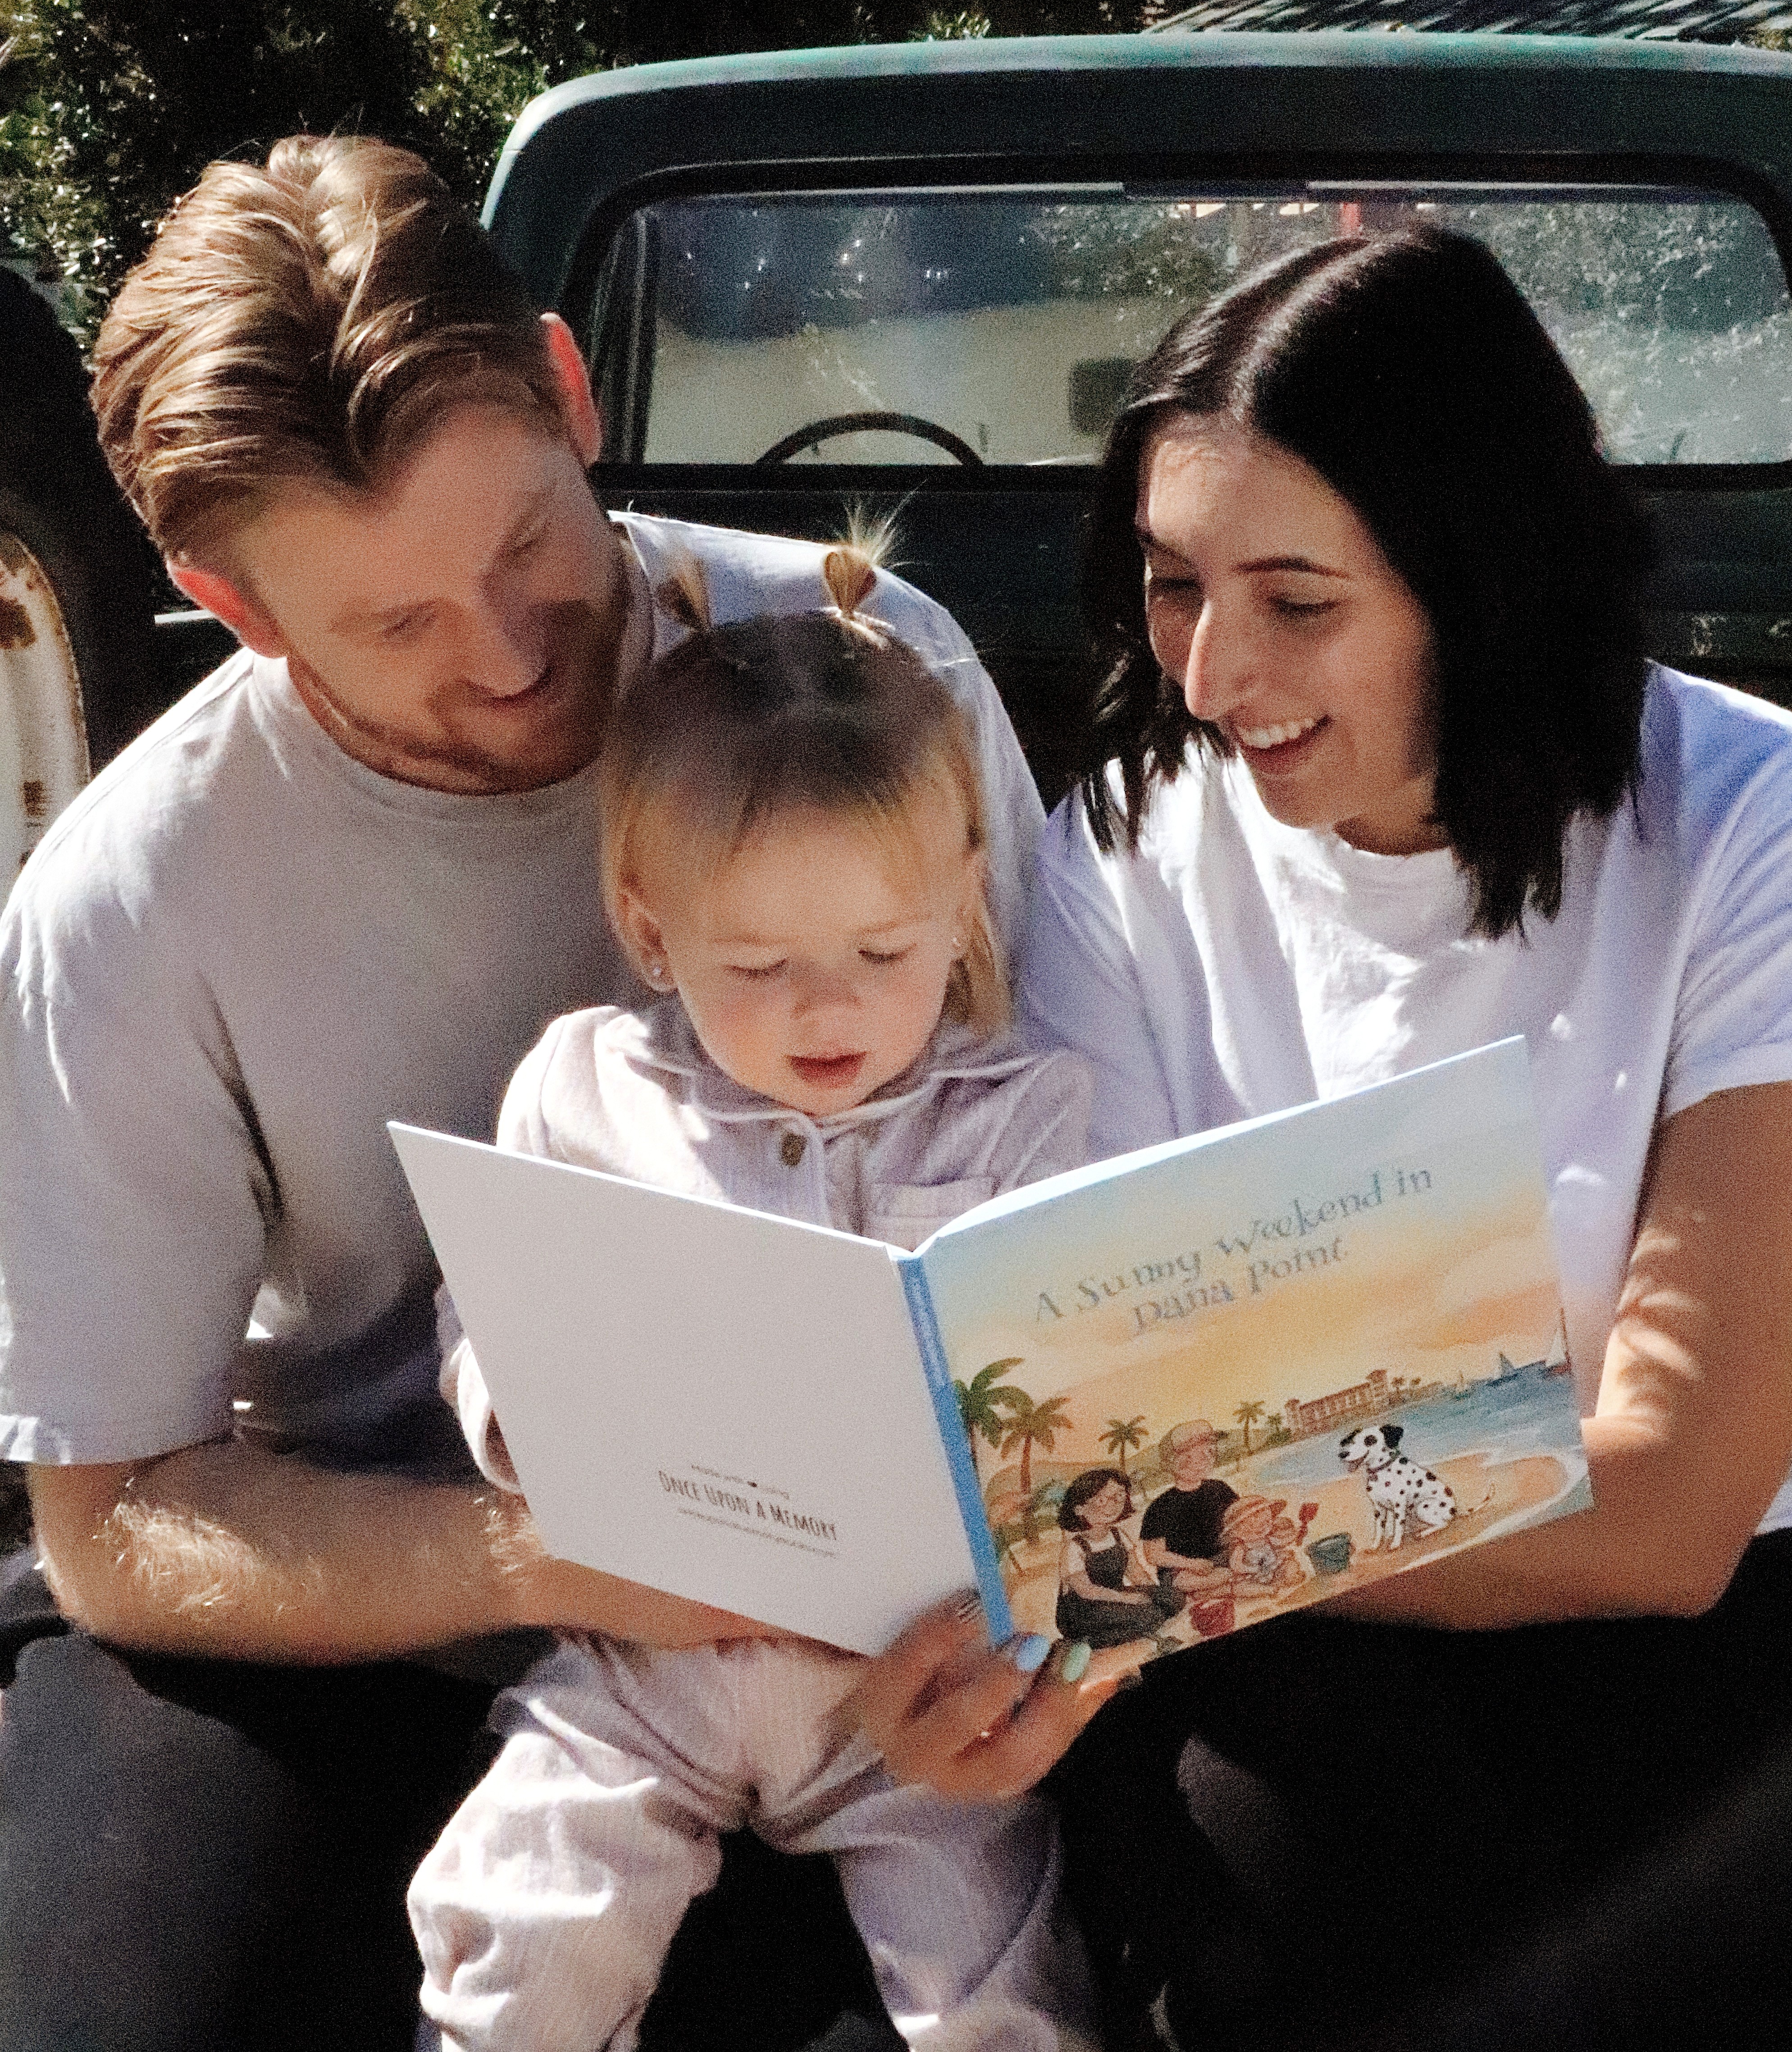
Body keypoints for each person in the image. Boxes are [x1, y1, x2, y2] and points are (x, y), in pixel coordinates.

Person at [0, 137, 1050, 2052]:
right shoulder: (128, 896)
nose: (505, 657)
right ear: (231, 605)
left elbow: (1087, 1184)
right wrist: (557, 1556)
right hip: (369, 1587)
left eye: (522, 548)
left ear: (571, 394)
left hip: (898, 1614)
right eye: (393, 626)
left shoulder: (866, 675)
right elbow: (112, 1520)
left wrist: (1045, 1624)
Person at [855, 225, 1792, 2050]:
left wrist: (1141, 1527)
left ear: (1479, 578)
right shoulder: (1128, 844)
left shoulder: (1753, 826)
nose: (1210, 676)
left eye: (1296, 602)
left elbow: (1677, 1501)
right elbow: (1082, 1387)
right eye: (1168, 585)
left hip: (1701, 1621)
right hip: (1273, 1624)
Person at [409, 552, 1099, 2051]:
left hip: (910, 1688)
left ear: (963, 898)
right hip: (651, 1663)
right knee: (522, 1907)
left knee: (998, 1980)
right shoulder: (586, 1092)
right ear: (652, 934)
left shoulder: (1033, 1120)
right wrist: (520, 1409)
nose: (828, 1007)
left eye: (882, 952)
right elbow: (490, 1316)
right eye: (758, 963)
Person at [1052, 1471, 1183, 1653]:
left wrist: (1155, 1592)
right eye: (1102, 1499)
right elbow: (1086, 1591)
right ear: (1079, 1508)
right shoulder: (1074, 1548)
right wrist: (1127, 1599)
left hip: (1116, 1595)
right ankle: (1084, 1641)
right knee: (1148, 1615)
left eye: (1119, 1497)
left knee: (1173, 1598)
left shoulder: (1118, 1534)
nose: (1113, 1504)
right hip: (1084, 1610)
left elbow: (1135, 1572)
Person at [1135, 1424, 1241, 1641]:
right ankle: (1220, 1586)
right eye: (1201, 1450)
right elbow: (1153, 1555)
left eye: (1211, 1448)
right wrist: (1193, 1565)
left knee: (1242, 1561)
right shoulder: (1160, 1507)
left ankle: (1215, 1589)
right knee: (1185, 1582)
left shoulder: (1220, 1488)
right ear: (1178, 1460)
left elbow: (1239, 1524)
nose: (1209, 1454)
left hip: (1222, 1559)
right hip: (1183, 1571)